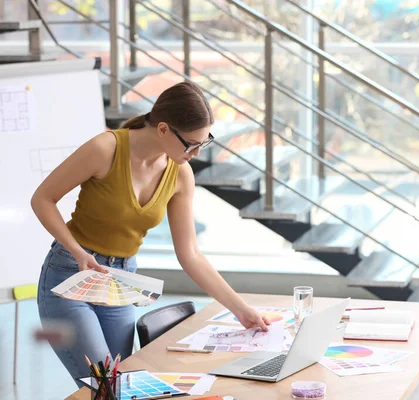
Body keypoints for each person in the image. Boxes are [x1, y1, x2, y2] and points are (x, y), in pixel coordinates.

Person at [32, 81, 270, 383]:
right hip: (70, 276)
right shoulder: (105, 149)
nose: (196, 153)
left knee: (125, 383)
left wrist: (241, 310)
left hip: (117, 283)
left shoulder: (180, 173)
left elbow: (191, 254)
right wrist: (77, 251)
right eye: (191, 144)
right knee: (107, 385)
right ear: (163, 129)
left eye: (204, 142)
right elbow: (42, 198)